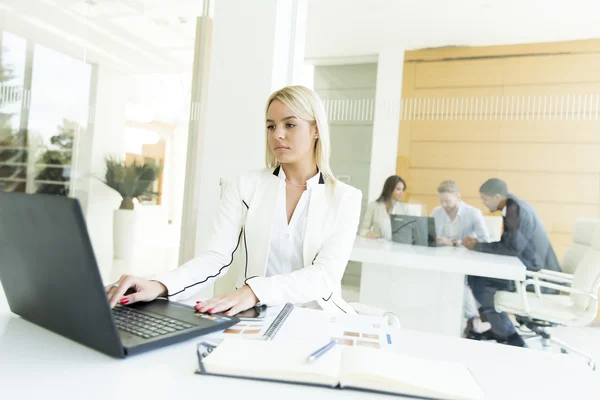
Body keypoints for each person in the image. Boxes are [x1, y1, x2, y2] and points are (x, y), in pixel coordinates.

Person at [106, 85, 362, 316]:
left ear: (315, 129)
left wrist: (254, 291)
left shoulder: (345, 199)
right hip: (253, 314)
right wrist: (160, 285)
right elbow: (215, 257)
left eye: (290, 125)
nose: (277, 135)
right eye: (271, 126)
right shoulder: (244, 186)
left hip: (317, 318)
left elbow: (325, 276)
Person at [462, 178, 561, 347]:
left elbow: (511, 249)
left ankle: (510, 337)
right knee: (477, 277)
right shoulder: (514, 207)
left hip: (537, 278)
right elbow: (509, 245)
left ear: (497, 196)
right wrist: (479, 246)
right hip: (531, 269)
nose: (484, 203)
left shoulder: (516, 211)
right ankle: (498, 328)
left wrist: (477, 245)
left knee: (481, 282)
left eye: (485, 198)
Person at [429, 180, 491, 335]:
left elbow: (485, 240)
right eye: (441, 201)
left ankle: (473, 318)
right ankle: (468, 320)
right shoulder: (437, 212)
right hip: (442, 259)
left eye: (447, 201)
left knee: (459, 280)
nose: (444, 205)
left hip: (466, 260)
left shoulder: (473, 213)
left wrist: (453, 242)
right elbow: (428, 235)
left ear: (458, 197)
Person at [360, 175, 417, 240]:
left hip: (397, 247)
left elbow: (411, 230)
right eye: (398, 189)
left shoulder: (405, 208)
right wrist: (368, 234)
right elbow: (363, 229)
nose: (402, 193)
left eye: (403, 190)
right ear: (389, 189)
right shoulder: (374, 206)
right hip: (378, 246)